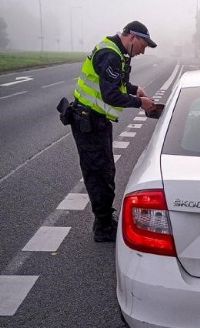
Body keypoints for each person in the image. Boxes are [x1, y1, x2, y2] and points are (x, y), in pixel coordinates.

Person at [70, 21, 157, 242]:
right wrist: (140, 103)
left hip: (95, 120)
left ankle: (105, 220)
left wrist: (135, 89)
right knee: (99, 173)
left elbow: (115, 83)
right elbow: (110, 95)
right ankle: (103, 227)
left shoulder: (115, 51)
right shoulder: (110, 54)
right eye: (143, 45)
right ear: (132, 38)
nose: (143, 51)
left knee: (105, 171)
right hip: (88, 121)